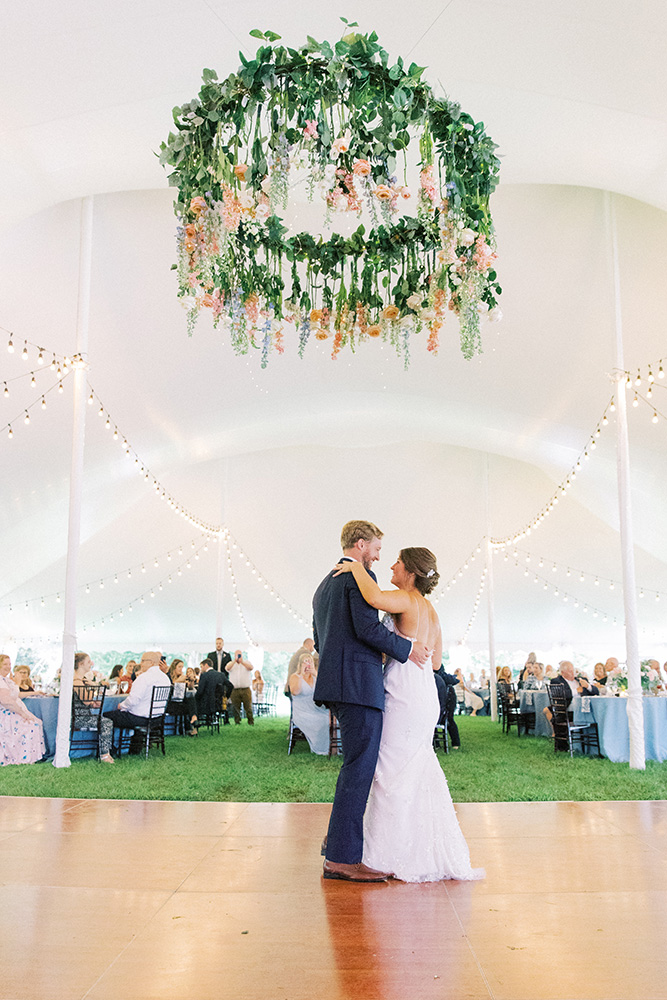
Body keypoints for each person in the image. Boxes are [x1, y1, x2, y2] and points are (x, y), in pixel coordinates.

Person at [333, 547, 484, 883]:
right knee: (412, 767)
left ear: (411, 572)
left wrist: (354, 567)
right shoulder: (431, 610)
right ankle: (419, 848)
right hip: (424, 692)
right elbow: (434, 662)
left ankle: (385, 853)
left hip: (403, 693)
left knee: (389, 771)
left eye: (398, 562)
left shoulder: (406, 599)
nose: (392, 565)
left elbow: (372, 598)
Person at [312, 519, 429, 884]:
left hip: (337, 684)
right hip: (359, 687)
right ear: (361, 544)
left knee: (354, 766)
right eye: (376, 549)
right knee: (359, 768)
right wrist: (407, 651)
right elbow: (368, 629)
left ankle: (337, 842)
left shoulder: (323, 585)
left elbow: (320, 640)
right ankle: (342, 858)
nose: (378, 557)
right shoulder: (359, 577)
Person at [103, 651, 169, 752]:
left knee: (107, 716)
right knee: (131, 712)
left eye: (143, 661)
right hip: (157, 719)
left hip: (139, 719)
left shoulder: (144, 678)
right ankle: (134, 748)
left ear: (151, 662)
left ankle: (111, 749)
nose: (140, 663)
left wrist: (122, 706)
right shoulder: (165, 678)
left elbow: (133, 700)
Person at [0, 653, 46, 765]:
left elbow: (17, 695)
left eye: (9, 664)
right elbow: (6, 702)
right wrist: (22, 713)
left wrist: (35, 693)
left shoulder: (6, 680)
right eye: (5, 664)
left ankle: (33, 756)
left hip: (13, 711)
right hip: (7, 714)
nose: (8, 666)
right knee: (32, 725)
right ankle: (22, 757)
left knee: (37, 722)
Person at [73, 652, 114, 763]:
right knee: (106, 722)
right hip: (79, 718)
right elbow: (86, 701)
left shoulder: (81, 680)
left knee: (106, 721)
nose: (91, 664)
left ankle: (105, 753)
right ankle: (104, 754)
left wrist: (92, 703)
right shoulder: (76, 681)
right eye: (88, 661)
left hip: (84, 714)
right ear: (81, 664)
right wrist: (92, 687)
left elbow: (85, 701)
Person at [289, 652, 329, 754]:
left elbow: (326, 690)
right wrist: (302, 675)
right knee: (322, 721)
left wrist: (315, 673)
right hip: (302, 711)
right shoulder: (295, 677)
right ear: (301, 664)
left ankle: (335, 748)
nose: (308, 664)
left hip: (317, 708)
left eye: (310, 661)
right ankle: (322, 749)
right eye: (305, 662)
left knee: (333, 719)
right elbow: (295, 692)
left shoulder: (316, 676)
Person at [194, 658, 230, 733]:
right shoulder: (221, 675)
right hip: (218, 704)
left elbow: (200, 692)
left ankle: (192, 726)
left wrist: (195, 698)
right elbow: (230, 686)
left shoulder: (204, 675)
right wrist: (226, 697)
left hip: (205, 704)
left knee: (192, 702)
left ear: (206, 665)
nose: (201, 668)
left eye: (201, 666)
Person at [228, 650, 254, 724]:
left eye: (239, 655)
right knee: (235, 707)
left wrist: (242, 662)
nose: (238, 656)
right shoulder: (231, 664)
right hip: (235, 689)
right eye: (237, 655)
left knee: (248, 706)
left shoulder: (246, 662)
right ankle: (237, 721)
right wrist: (234, 661)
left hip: (245, 688)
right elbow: (227, 668)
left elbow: (251, 668)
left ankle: (250, 721)